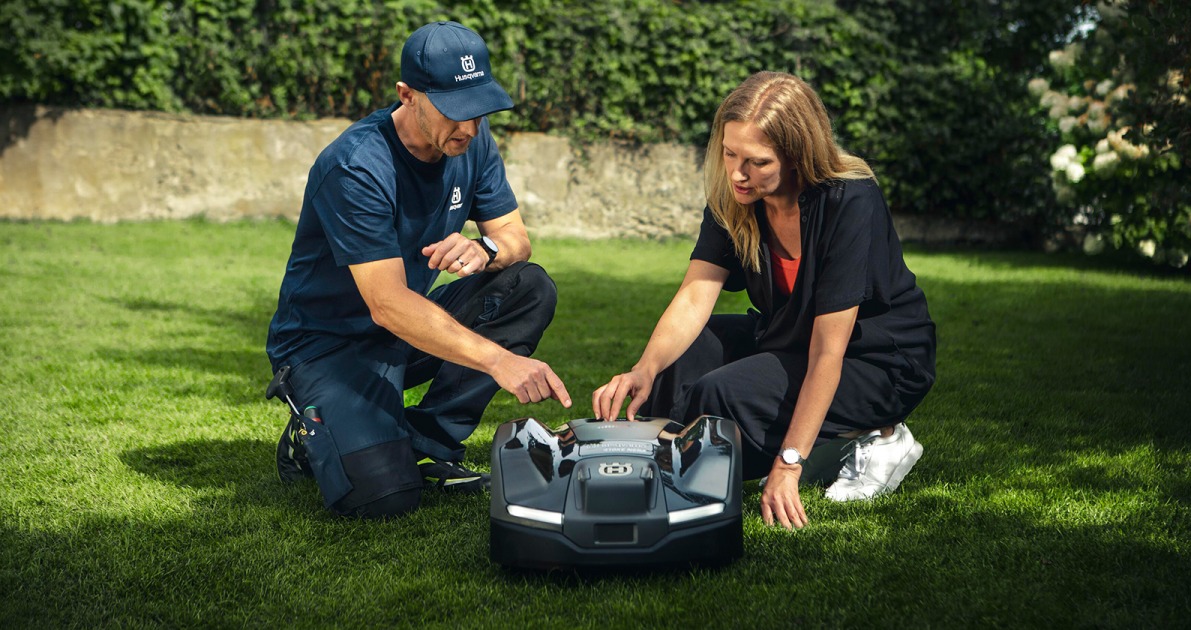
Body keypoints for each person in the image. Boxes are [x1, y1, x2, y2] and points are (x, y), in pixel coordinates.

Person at [592, 72, 936, 530]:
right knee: (681, 360)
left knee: (721, 395)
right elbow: (695, 295)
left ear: (796, 157)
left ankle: (876, 433)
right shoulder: (735, 196)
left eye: (756, 162)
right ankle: (652, 466)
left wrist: (789, 465)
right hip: (789, 337)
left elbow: (828, 350)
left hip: (876, 360)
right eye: (729, 153)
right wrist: (644, 369)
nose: (737, 173)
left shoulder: (850, 200)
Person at [265, 21, 572, 519]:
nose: (469, 127)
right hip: (325, 346)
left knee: (528, 286)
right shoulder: (357, 166)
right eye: (454, 110)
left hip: (402, 327)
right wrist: (499, 361)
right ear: (407, 95)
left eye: (479, 109)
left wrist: (486, 248)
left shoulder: (473, 141)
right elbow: (386, 304)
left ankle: (428, 441)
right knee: (384, 497)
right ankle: (312, 435)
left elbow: (516, 239)